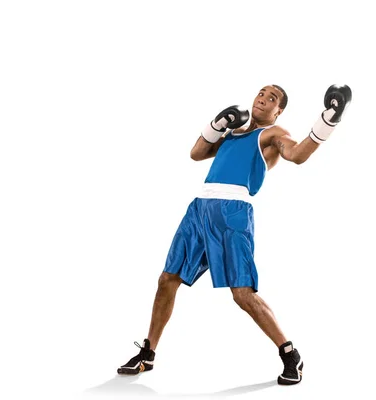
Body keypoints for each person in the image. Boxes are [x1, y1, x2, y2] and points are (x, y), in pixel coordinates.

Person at [117, 84, 352, 385]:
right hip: (199, 210)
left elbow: (297, 154)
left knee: (243, 294)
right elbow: (196, 153)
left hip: (233, 215)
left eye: (272, 98)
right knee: (167, 279)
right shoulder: (234, 131)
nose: (263, 98)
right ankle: (148, 352)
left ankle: (290, 353)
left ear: (278, 111)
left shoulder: (271, 135)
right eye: (261, 93)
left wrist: (329, 119)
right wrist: (217, 125)